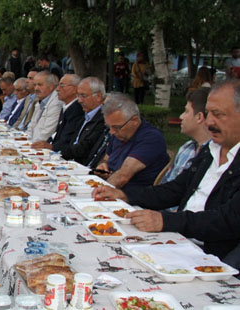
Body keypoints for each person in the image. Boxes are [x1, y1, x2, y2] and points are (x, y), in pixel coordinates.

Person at [92, 80, 240, 263]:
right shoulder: (210, 150)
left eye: (218, 115)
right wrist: (124, 194)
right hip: (180, 241)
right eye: (209, 113)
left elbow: (229, 220)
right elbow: (175, 189)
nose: (209, 122)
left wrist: (166, 221)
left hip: (214, 258)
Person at [94, 92, 169, 189]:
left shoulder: (151, 138)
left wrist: (95, 191)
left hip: (133, 196)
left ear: (134, 120)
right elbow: (106, 160)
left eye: (116, 127)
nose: (112, 132)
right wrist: (103, 167)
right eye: (109, 127)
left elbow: (123, 177)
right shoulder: (119, 133)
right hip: (113, 189)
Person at [160, 88, 212, 183]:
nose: (181, 116)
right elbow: (165, 186)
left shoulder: (217, 155)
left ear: (199, 117)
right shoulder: (186, 148)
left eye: (186, 111)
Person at [61, 77, 108, 165]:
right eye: (78, 96)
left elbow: (84, 148)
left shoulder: (103, 119)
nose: (79, 100)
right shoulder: (84, 115)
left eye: (83, 96)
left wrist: (59, 152)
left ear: (98, 96)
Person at [32, 74, 83, 151]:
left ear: (74, 89)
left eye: (62, 86)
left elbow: (66, 138)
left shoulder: (77, 109)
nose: (57, 89)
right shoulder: (66, 106)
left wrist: (50, 146)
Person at [26, 71, 64, 142]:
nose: (36, 88)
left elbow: (47, 133)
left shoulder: (56, 103)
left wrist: (29, 144)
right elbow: (32, 124)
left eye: (40, 85)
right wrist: (25, 140)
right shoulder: (42, 99)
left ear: (51, 86)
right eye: (35, 85)